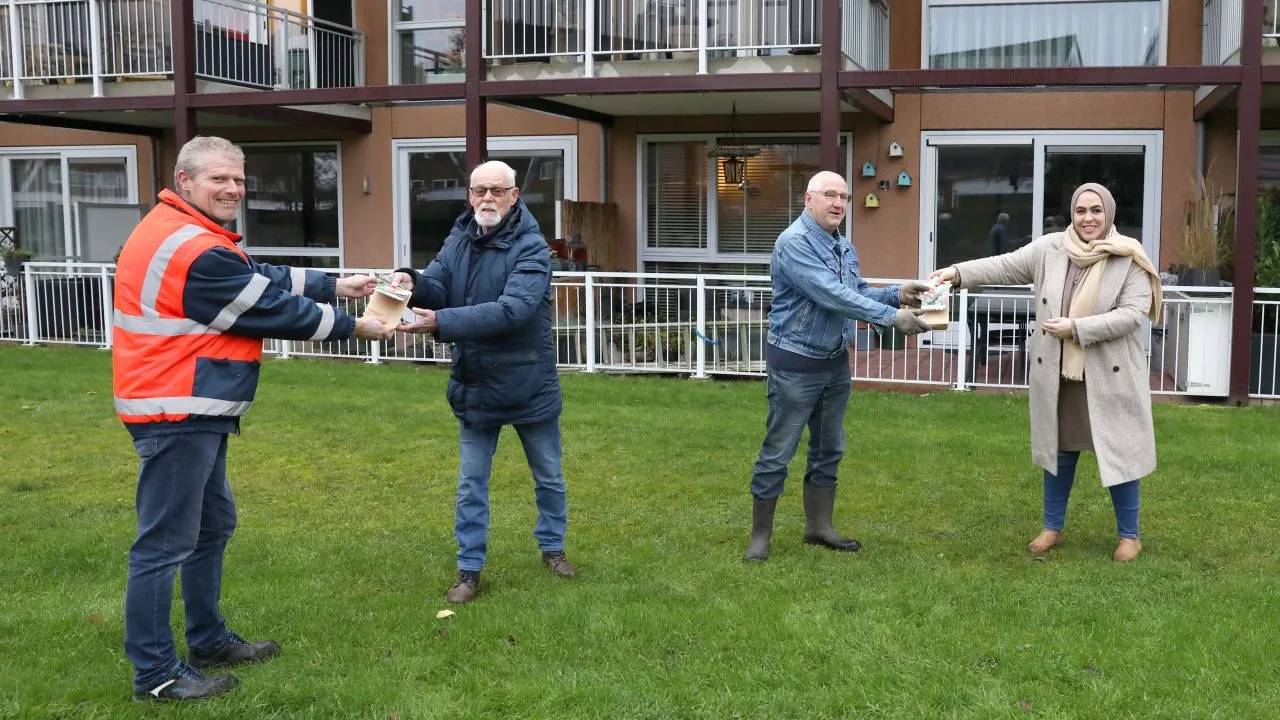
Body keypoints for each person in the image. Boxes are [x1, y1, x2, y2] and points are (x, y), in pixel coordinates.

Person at [113, 136, 394, 702]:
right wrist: (352, 326)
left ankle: (208, 639)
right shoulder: (190, 247)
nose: (233, 189)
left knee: (212, 526)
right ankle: (156, 674)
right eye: (219, 179)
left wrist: (336, 284)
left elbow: (254, 272)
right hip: (176, 407)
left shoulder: (189, 232)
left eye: (238, 180)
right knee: (164, 544)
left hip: (194, 405)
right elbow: (262, 305)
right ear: (185, 180)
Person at [930, 183, 1162, 562]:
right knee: (1059, 451)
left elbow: (1132, 315)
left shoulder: (1129, 257)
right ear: (1072, 213)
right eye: (1081, 211)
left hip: (1109, 373)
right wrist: (956, 273)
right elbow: (1002, 265)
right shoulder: (1050, 249)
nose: (1088, 218)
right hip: (1059, 373)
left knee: (1120, 452)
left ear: (1110, 214)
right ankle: (1052, 528)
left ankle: (1129, 536)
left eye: (1096, 211)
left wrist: (1077, 329)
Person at [391, 160, 575, 604]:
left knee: (548, 476)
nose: (487, 199)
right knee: (471, 483)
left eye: (497, 190)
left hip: (527, 380)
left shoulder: (532, 248)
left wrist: (441, 322)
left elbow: (513, 310)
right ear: (469, 196)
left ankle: (553, 549)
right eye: (479, 191)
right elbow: (437, 282)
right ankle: (469, 569)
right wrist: (409, 282)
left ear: (515, 196)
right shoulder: (459, 237)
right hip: (474, 382)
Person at [743, 171, 932, 562]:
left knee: (829, 448)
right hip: (795, 362)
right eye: (830, 195)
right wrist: (890, 317)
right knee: (779, 450)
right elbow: (830, 295)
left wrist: (897, 294)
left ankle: (818, 527)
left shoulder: (841, 245)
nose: (838, 203)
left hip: (833, 364)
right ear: (808, 200)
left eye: (844, 197)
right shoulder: (793, 243)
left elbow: (855, 290)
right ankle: (760, 536)